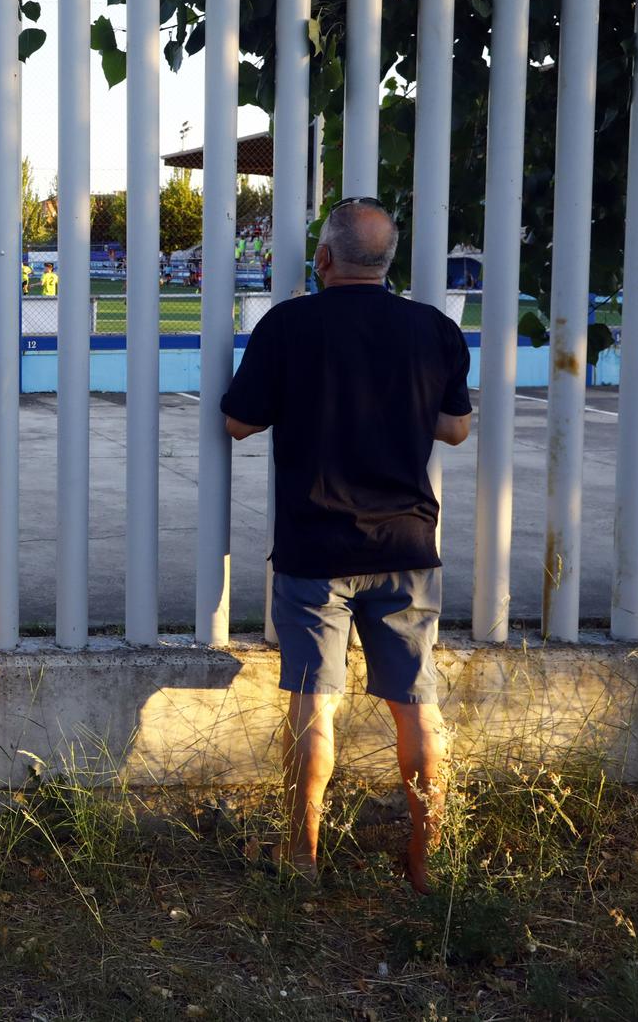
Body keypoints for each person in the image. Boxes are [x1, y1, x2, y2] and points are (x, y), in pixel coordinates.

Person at [220, 198, 471, 892]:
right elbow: (455, 429)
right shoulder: (434, 331)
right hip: (407, 546)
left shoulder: (289, 325)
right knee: (418, 706)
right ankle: (426, 862)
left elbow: (239, 422)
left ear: (323, 258)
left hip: (315, 547)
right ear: (388, 261)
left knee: (313, 703)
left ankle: (302, 858)